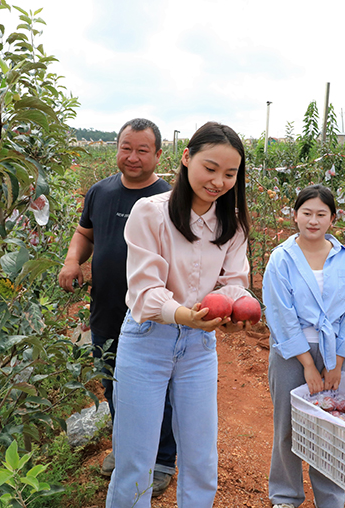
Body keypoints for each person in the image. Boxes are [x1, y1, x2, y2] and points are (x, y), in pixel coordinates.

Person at [104, 121, 252, 508]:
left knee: (201, 457)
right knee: (136, 460)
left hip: (199, 345)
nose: (219, 181)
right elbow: (145, 290)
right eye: (210, 168)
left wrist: (235, 313)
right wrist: (185, 314)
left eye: (230, 173)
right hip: (147, 340)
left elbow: (234, 283)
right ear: (186, 159)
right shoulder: (150, 213)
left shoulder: (231, 225)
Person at [58, 118, 176, 496]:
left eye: (143, 150)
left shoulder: (169, 200)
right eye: (126, 147)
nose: (133, 157)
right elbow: (85, 233)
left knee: (158, 387)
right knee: (112, 380)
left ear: (159, 154)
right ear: (116, 148)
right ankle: (127, 450)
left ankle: (161, 459)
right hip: (106, 306)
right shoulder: (100, 192)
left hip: (151, 313)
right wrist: (72, 260)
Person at [263, 184, 345, 508]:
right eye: (306, 213)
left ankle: (331, 499)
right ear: (295, 215)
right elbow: (280, 314)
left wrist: (336, 364)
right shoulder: (281, 259)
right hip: (292, 354)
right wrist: (307, 364)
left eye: (321, 214)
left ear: (333, 218)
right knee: (287, 425)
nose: (313, 220)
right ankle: (285, 497)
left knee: (331, 428)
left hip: (332, 354)